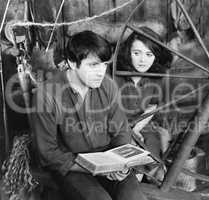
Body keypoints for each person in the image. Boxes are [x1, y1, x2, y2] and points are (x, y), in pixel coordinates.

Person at [30, 30, 147, 200]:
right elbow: (48, 153)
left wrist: (122, 165)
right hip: (73, 166)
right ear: (72, 62)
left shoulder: (107, 85)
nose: (101, 72)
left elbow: (121, 130)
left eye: (104, 64)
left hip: (109, 159)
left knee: (134, 197)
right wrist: (93, 168)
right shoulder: (46, 95)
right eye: (93, 65)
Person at [116, 27, 173, 181]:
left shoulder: (156, 77)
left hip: (142, 124)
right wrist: (129, 132)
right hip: (115, 127)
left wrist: (137, 128)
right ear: (128, 53)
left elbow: (153, 106)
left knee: (150, 145)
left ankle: (140, 184)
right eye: (136, 53)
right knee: (130, 148)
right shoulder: (115, 74)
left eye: (149, 54)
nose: (143, 60)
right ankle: (132, 186)